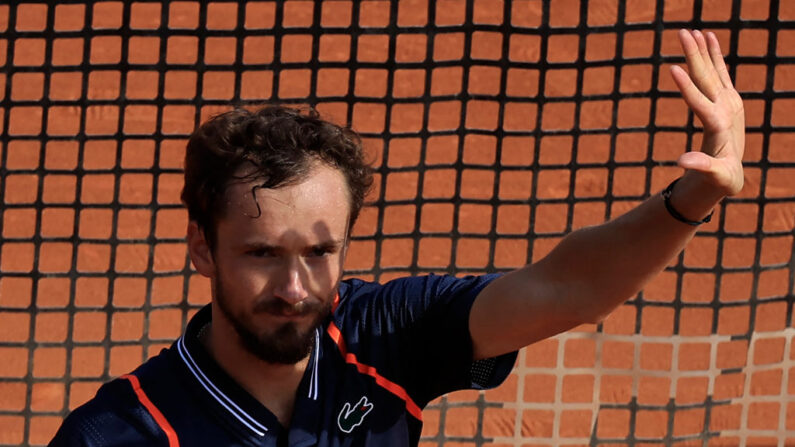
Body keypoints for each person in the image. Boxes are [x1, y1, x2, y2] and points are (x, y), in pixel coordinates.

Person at [49, 29, 744, 446]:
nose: (295, 289)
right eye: (261, 253)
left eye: (318, 253)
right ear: (201, 247)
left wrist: (693, 196)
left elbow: (568, 287)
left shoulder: (384, 337)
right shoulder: (119, 432)